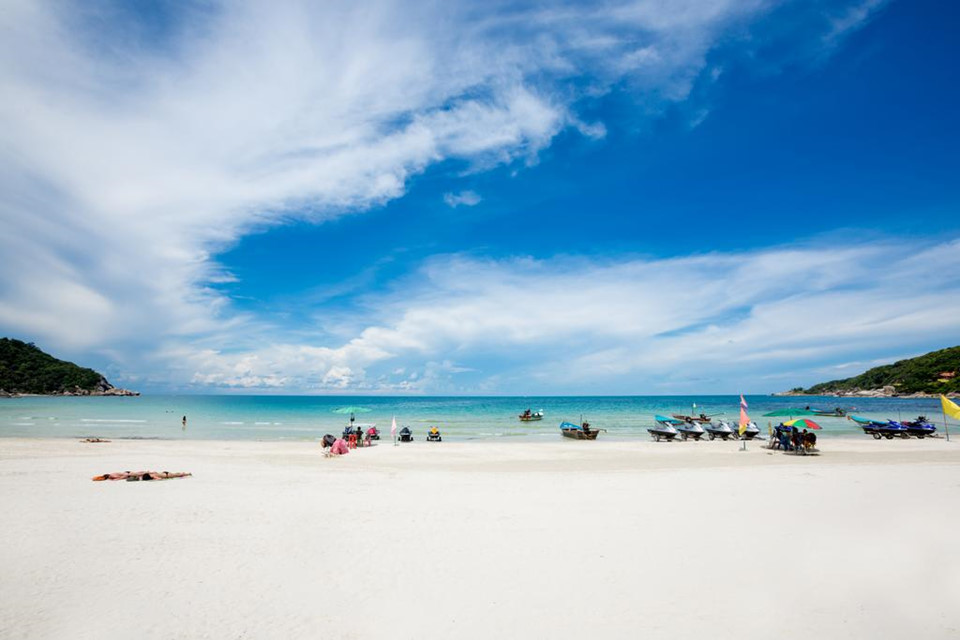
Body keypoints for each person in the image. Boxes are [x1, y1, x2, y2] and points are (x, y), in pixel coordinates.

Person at [92, 471, 191, 481]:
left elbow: (125, 475)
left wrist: (117, 479)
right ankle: (185, 473)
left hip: (166, 474)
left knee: (177, 474)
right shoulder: (112, 475)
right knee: (177, 475)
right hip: (165, 474)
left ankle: (186, 473)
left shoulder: (112, 476)